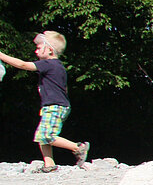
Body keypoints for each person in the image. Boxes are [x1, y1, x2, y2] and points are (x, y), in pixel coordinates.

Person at [0, 31, 90, 172]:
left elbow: (23, 65)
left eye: (38, 47)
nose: (35, 51)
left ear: (49, 49)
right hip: (56, 106)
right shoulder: (58, 66)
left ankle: (78, 148)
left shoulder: (49, 64)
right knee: (41, 136)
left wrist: (1, 55)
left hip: (55, 106)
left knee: (47, 136)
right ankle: (49, 164)